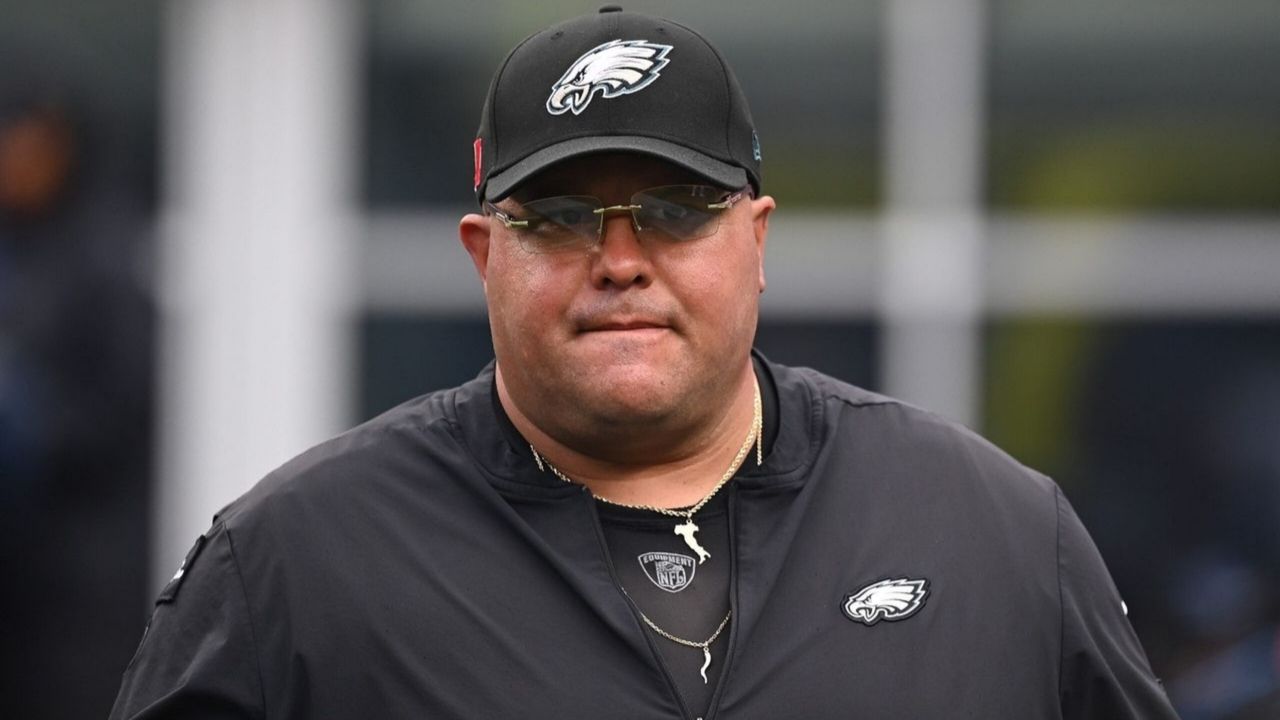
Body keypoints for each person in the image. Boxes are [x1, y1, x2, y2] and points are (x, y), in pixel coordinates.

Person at [111, 7, 1181, 718]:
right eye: (563, 217)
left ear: (755, 241)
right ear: (485, 256)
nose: (620, 261)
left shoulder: (982, 527)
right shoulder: (297, 563)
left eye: (674, 211)